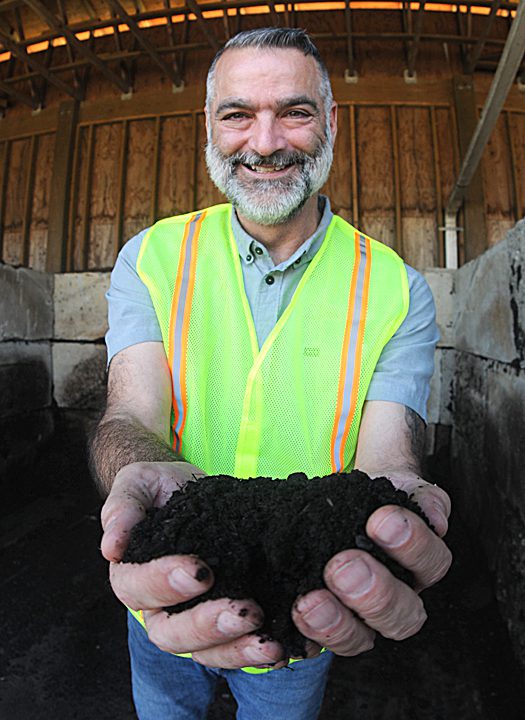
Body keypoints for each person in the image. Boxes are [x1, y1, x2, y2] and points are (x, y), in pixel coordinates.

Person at [91, 27, 452, 720]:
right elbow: (130, 414)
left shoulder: (396, 289)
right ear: (208, 125)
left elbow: (388, 458)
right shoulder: (153, 257)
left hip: (304, 609)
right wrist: (139, 474)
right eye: (236, 115)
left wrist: (393, 503)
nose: (264, 143)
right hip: (167, 590)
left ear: (331, 122)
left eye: (294, 111)